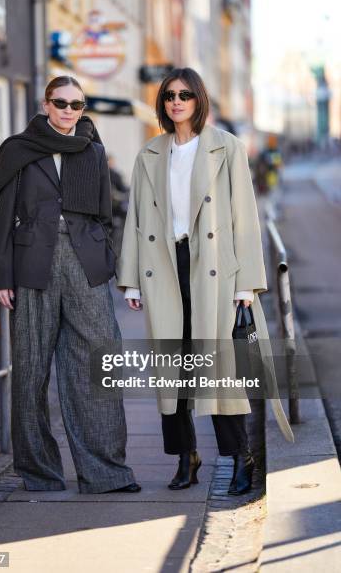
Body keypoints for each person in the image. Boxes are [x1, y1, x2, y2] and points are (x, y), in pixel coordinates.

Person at [117, 67, 293, 495]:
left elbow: (245, 219)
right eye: (170, 96)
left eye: (185, 95)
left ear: (199, 100)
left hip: (214, 268)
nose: (176, 102)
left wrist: (246, 283)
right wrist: (133, 280)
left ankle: (240, 458)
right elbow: (136, 219)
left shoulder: (225, 148)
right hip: (164, 265)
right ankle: (185, 456)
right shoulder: (150, 154)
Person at [0, 75, 140, 494]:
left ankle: (106, 472)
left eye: (77, 105)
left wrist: (104, 259)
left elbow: (105, 216)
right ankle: (39, 473)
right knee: (31, 371)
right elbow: (5, 218)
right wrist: (2, 275)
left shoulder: (92, 151)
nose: (69, 112)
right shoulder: (19, 150)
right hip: (31, 264)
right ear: (46, 103)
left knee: (98, 366)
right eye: (61, 103)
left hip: (85, 263)